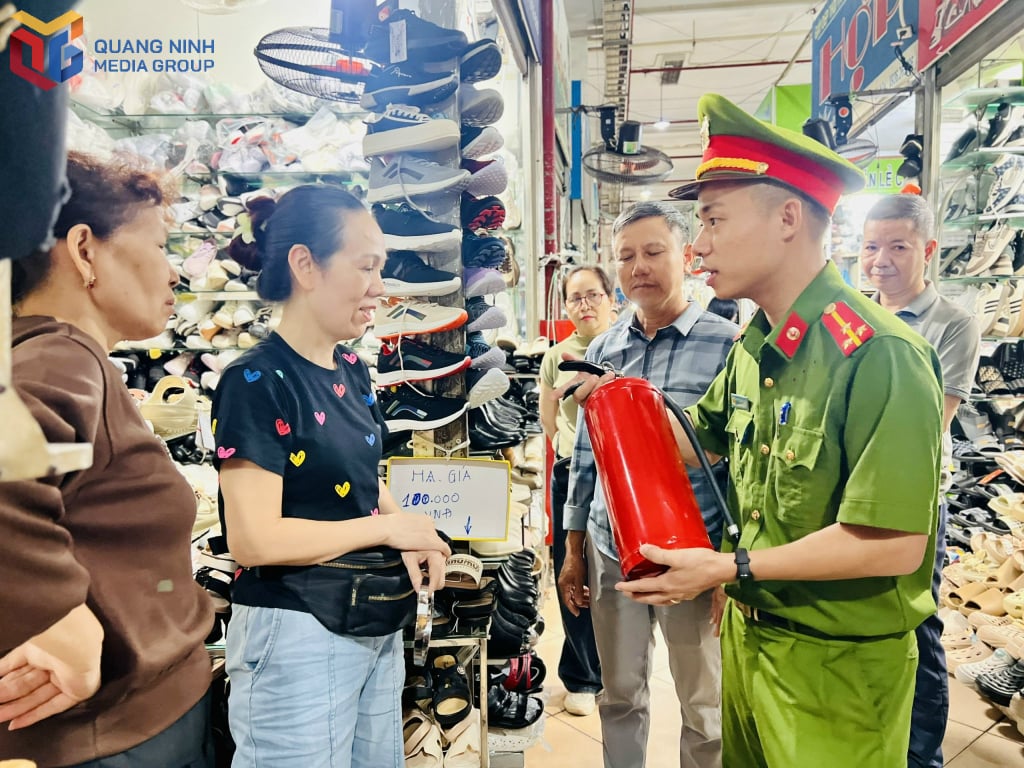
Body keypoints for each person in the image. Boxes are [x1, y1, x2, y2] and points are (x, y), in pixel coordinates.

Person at [589, 94, 943, 768]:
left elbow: (893, 545)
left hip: (835, 674)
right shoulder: (759, 345)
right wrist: (615, 402)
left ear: (787, 217)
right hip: (753, 650)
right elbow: (699, 438)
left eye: (715, 220)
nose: (699, 246)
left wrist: (730, 567)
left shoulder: (878, 353)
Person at [212, 185, 451, 768]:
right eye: (366, 265)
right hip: (296, 629)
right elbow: (254, 540)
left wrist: (413, 530)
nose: (380, 286)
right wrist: (385, 532)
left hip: (371, 616)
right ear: (304, 265)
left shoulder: (352, 368)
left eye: (383, 268)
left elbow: (362, 482)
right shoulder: (254, 381)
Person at [0, 152, 215, 766]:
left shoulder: (47, 356)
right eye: (159, 244)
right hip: (115, 736)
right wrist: (55, 608)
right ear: (85, 250)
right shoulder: (62, 357)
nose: (174, 272)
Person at [559, 201, 737, 768]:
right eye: (626, 256)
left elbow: (738, 466)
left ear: (685, 255)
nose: (640, 267)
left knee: (704, 704)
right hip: (611, 548)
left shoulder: (729, 346)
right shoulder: (604, 349)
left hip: (696, 550)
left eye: (653, 252)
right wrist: (572, 547)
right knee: (620, 694)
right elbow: (587, 455)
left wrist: (730, 565)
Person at [862, 193, 981, 768]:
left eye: (897, 246)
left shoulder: (952, 325)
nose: (880, 259)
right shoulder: (855, 314)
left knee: (920, 625)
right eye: (870, 246)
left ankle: (921, 755)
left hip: (912, 501)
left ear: (928, 250)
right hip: (853, 495)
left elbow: (935, 421)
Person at [539, 265, 615, 717]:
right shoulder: (557, 355)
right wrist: (562, 448)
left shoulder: (624, 345)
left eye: (592, 296)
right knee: (571, 569)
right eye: (575, 298)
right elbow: (549, 418)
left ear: (610, 298)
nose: (584, 306)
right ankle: (583, 676)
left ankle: (617, 666)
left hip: (617, 474)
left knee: (616, 573)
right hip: (571, 471)